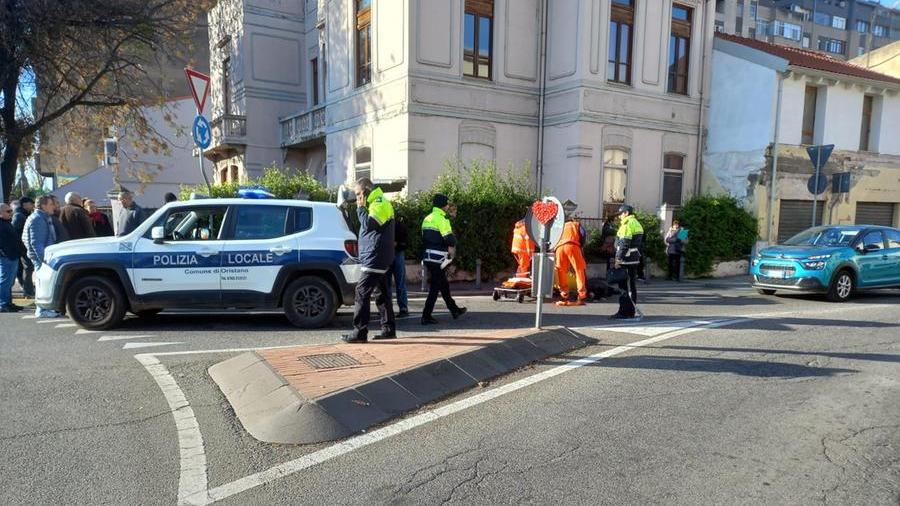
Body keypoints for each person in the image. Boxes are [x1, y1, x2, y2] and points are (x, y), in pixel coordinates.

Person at [342, 178, 396, 343]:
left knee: (361, 292)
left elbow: (368, 225)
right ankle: (388, 330)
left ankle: (359, 332)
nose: (357, 197)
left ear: (365, 191)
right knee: (382, 294)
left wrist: (360, 208)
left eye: (358, 194)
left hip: (375, 256)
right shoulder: (375, 203)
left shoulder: (378, 203)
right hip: (378, 256)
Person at [421, 193, 466, 325]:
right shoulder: (442, 218)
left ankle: (454, 310)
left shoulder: (427, 218)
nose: (447, 206)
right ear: (443, 205)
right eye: (446, 204)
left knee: (443, 285)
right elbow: (449, 239)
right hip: (439, 258)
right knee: (435, 288)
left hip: (428, 257)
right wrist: (454, 241)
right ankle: (426, 315)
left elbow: (424, 238)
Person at [23, 196, 61, 318]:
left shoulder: (41, 217)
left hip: (43, 256)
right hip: (42, 258)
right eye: (51, 204)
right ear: (43, 206)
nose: (54, 207)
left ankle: (44, 309)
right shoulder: (38, 219)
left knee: (42, 283)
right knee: (41, 283)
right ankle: (42, 310)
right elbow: (36, 243)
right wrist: (44, 261)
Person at [610, 204, 644, 320]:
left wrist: (618, 259)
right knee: (632, 286)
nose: (619, 217)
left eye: (621, 214)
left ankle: (624, 312)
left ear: (626, 213)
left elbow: (624, 244)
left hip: (625, 259)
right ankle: (631, 311)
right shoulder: (637, 224)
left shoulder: (626, 225)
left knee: (623, 287)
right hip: (634, 258)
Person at [555, 216, 588, 306]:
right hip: (573, 246)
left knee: (561, 270)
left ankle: (564, 294)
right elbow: (583, 234)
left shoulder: (559, 226)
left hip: (559, 247)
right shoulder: (576, 224)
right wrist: (581, 245)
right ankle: (581, 295)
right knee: (579, 270)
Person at [0, 203, 24, 312]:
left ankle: (8, 302)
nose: (11, 213)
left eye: (11, 210)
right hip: (7, 257)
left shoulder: (6, 223)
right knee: (5, 281)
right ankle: (3, 303)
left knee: (9, 281)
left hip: (13, 255)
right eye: (8, 211)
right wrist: (4, 253)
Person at [385, 216, 410, 317]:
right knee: (400, 283)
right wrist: (399, 244)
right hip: (398, 253)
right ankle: (403, 308)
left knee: (387, 284)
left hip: (388, 254)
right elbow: (405, 241)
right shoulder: (399, 224)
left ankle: (387, 308)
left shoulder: (383, 224)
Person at [12, 197, 35, 297]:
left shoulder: (23, 215)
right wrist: (20, 247)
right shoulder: (19, 216)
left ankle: (27, 289)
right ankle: (28, 291)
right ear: (25, 204)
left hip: (23, 247)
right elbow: (14, 233)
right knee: (28, 268)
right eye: (31, 203)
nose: (33, 205)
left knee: (26, 268)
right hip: (22, 248)